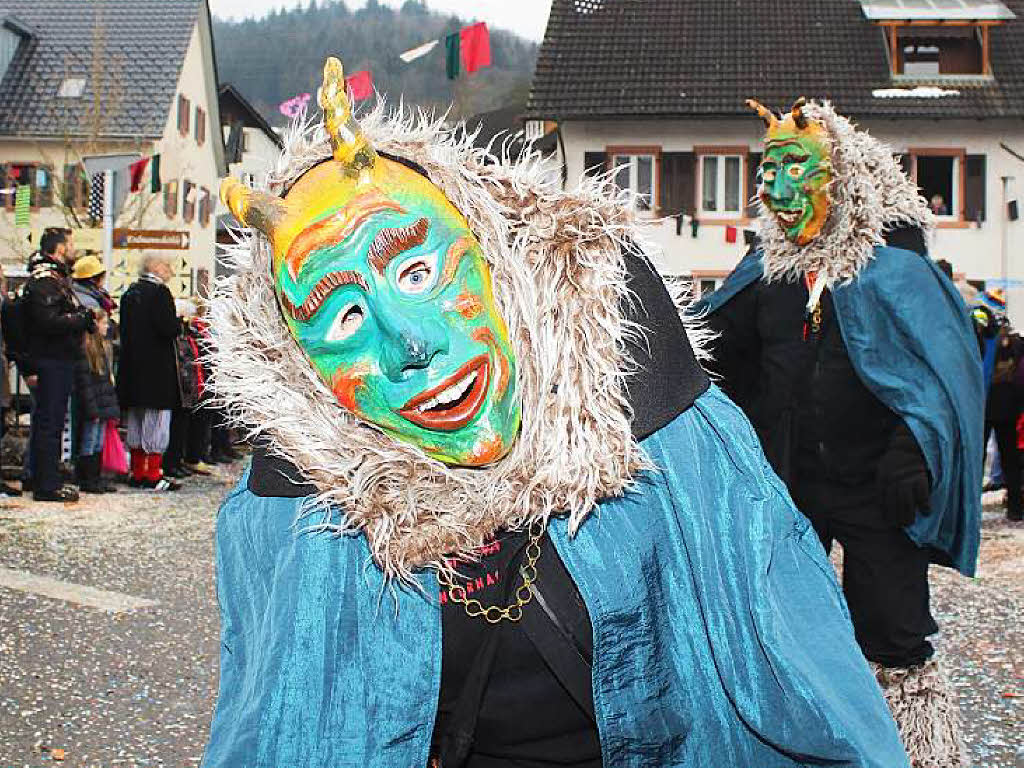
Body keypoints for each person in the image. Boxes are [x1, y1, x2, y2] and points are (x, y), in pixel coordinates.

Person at [201, 59, 910, 768]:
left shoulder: (650, 414)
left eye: (419, 272)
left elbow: (800, 677)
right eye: (348, 315)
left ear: (494, 259)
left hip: (862, 492)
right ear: (301, 365)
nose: (410, 344)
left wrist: (908, 455)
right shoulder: (300, 515)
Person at [694, 98, 983, 767]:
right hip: (790, 483)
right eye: (768, 169)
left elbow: (940, 376)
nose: (773, 184)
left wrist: (914, 455)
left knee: (894, 630)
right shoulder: (766, 273)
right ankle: (808, 744)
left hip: (879, 487)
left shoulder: (895, 269)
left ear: (844, 176)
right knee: (785, 622)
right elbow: (710, 351)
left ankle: (921, 753)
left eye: (795, 165)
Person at [23, 229, 94, 502]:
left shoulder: (54, 279)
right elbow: (48, 322)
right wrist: (80, 319)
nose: (74, 248)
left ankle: (43, 478)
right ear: (60, 248)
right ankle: (46, 484)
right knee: (50, 423)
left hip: (58, 358)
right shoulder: (45, 281)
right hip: (51, 359)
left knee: (50, 422)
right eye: (71, 243)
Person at [116, 256, 181, 492]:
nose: (170, 269)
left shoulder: (129, 294)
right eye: (166, 265)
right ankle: (154, 474)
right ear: (155, 268)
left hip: (132, 366)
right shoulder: (160, 293)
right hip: (156, 368)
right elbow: (168, 328)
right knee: (156, 421)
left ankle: (137, 471)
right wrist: (179, 321)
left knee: (135, 419)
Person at [74, 310, 118, 493]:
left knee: (97, 441)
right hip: (93, 403)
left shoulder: (102, 347)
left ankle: (95, 475)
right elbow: (85, 384)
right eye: (104, 323)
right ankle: (88, 478)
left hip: (101, 402)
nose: (106, 327)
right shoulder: (86, 350)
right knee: (90, 440)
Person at [984, 324, 1022, 520]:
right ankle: (1015, 507)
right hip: (1008, 409)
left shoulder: (984, 341)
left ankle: (970, 506)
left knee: (977, 459)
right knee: (1010, 459)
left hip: (984, 406)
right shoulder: (1016, 346)